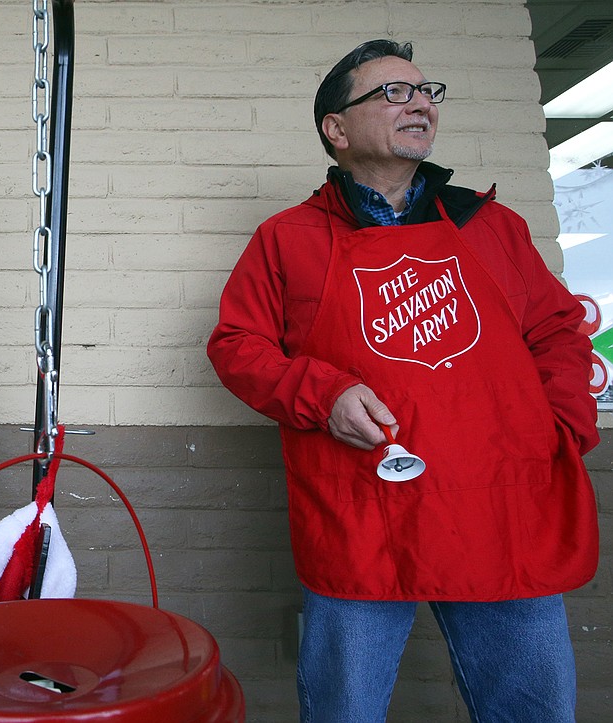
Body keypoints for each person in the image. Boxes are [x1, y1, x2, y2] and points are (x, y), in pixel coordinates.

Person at [207, 40, 598, 722]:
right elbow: (237, 346)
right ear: (337, 127)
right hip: (362, 514)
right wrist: (321, 395)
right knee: (343, 711)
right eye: (392, 92)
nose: (419, 102)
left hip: (501, 505)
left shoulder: (494, 227)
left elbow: (559, 332)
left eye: (425, 92)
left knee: (532, 711)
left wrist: (557, 431)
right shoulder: (288, 238)